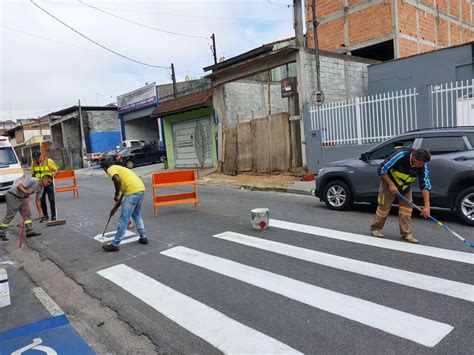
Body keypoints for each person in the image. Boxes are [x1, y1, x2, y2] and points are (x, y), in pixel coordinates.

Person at [370, 147, 432, 244]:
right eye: (420, 164)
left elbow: (425, 184)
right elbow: (381, 169)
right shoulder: (400, 156)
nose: (422, 166)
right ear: (414, 158)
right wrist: (391, 184)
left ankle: (406, 234)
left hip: (405, 186)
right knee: (384, 207)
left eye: (423, 164)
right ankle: (375, 228)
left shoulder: (422, 164)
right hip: (389, 182)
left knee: (406, 210)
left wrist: (427, 206)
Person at [100, 161, 148, 251]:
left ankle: (115, 244)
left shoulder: (110, 169)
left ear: (104, 169)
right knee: (136, 215)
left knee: (124, 219)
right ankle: (143, 237)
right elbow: (124, 195)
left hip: (132, 192)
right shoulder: (122, 170)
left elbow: (117, 181)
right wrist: (114, 209)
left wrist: (116, 193)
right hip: (141, 189)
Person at [0, 176, 52, 241]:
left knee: (27, 214)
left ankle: (29, 232)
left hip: (22, 198)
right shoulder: (33, 180)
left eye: (50, 183)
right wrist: (26, 192)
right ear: (44, 179)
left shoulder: (41, 188)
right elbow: (19, 186)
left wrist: (40, 212)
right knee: (11, 215)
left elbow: (38, 200)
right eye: (48, 182)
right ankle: (1, 232)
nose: (48, 184)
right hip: (13, 196)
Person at [31, 151, 59, 221]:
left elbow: (57, 170)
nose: (37, 159)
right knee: (42, 201)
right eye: (35, 158)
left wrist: (54, 173)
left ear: (41, 156)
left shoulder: (48, 161)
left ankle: (53, 216)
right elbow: (33, 175)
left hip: (48, 183)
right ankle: (45, 215)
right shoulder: (33, 163)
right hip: (40, 185)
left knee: (51, 200)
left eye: (38, 158)